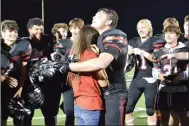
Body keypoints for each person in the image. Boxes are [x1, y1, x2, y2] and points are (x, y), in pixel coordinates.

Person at [54, 8, 128, 126]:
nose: (94, 17)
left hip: (114, 93)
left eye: (99, 15)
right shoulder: (99, 38)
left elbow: (101, 63)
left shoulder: (114, 34)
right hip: (100, 92)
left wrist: (69, 66)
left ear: (109, 21)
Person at [22, 17, 59, 126]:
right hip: (29, 84)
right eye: (36, 29)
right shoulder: (23, 42)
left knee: (49, 115)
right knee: (27, 115)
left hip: (47, 83)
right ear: (29, 29)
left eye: (41, 29)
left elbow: (54, 57)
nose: (39, 32)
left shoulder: (48, 39)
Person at [66, 25, 105, 125]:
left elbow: (70, 80)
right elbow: (103, 82)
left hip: (79, 104)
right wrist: (99, 57)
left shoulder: (74, 54)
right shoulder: (90, 54)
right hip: (91, 103)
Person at [152, 25, 189, 126]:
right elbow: (155, 70)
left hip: (180, 89)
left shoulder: (185, 50)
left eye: (171, 33)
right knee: (164, 117)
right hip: (164, 89)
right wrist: (159, 76)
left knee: (183, 117)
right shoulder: (158, 52)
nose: (168, 35)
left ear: (177, 35)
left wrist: (180, 77)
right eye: (166, 33)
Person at [125, 19, 160, 125]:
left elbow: (156, 59)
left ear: (149, 29)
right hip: (137, 77)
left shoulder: (156, 41)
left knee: (150, 108)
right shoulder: (133, 41)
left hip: (151, 78)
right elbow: (128, 61)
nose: (141, 30)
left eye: (143, 27)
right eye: (139, 28)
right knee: (128, 107)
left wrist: (142, 52)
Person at [1, 20, 32, 126]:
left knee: (18, 115)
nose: (13, 34)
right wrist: (5, 78)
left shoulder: (23, 45)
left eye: (15, 31)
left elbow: (24, 68)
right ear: (2, 32)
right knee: (2, 116)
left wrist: (21, 87)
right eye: (10, 31)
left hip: (16, 85)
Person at [51, 22, 74, 126]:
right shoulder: (50, 43)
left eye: (64, 31)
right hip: (53, 81)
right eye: (59, 31)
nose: (62, 33)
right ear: (54, 33)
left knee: (70, 110)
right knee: (51, 111)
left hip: (67, 80)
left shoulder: (71, 42)